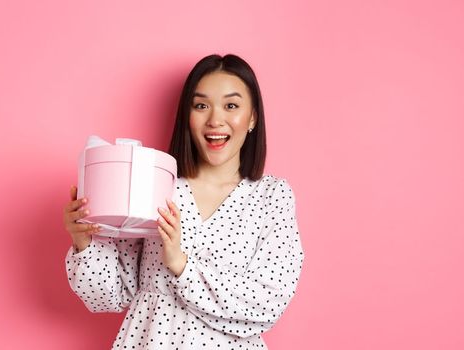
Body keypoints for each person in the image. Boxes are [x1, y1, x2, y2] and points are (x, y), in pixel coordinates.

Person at [63, 54, 304, 349]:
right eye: (201, 105)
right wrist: (84, 243)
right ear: (187, 116)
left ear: (252, 117)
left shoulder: (272, 197)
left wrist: (181, 265)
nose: (215, 120)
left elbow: (267, 302)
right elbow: (111, 296)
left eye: (231, 105)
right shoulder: (153, 182)